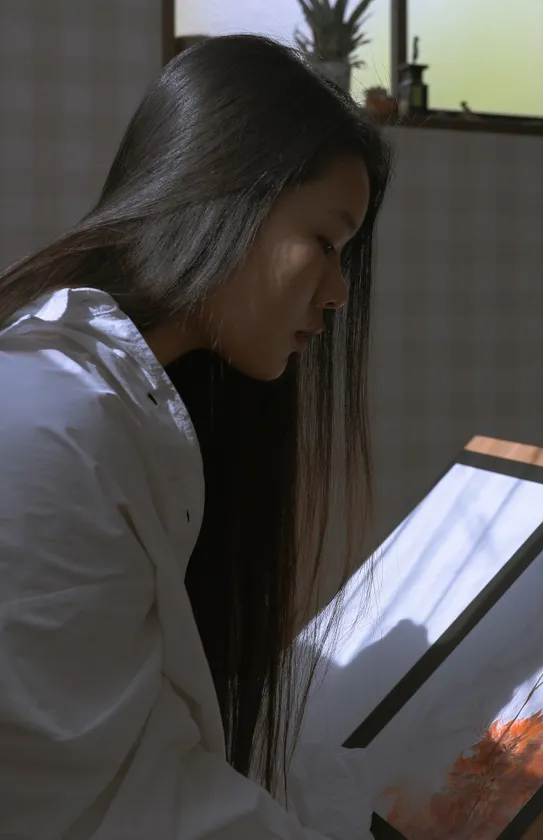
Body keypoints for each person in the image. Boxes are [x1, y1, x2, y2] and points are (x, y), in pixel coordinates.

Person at [0, 33, 392, 840]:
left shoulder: (116, 405)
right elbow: (85, 799)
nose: (337, 292)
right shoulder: (53, 422)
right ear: (225, 196)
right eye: (326, 243)